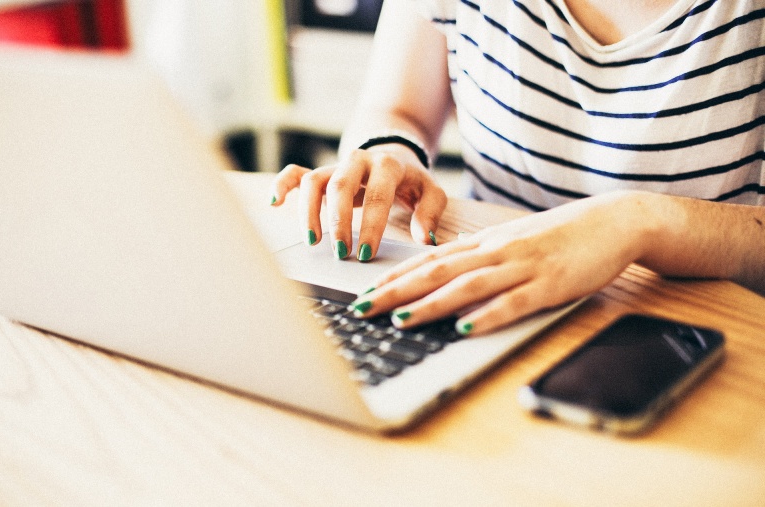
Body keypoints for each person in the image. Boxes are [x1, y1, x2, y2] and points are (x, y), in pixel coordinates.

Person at [271, 0, 765, 336]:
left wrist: (636, 221)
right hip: (492, 312)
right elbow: (400, 111)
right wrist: (389, 152)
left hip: (688, 338)